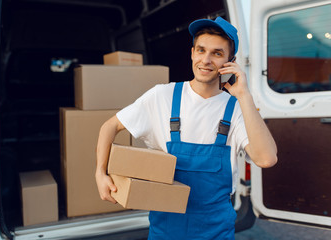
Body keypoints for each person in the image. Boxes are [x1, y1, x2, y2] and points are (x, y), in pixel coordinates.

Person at [95, 16, 277, 240]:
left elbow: (266, 159)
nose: (206, 60)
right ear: (192, 53)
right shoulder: (163, 95)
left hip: (216, 231)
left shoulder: (238, 109)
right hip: (166, 229)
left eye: (217, 53)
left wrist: (244, 95)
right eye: (201, 50)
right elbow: (109, 126)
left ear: (231, 61)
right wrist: (100, 173)